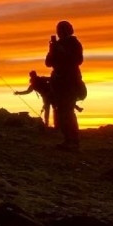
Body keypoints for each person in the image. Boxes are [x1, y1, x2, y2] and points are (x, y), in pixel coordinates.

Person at [45, 20, 84, 150]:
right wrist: (52, 50)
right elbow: (48, 63)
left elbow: (78, 60)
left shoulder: (74, 43)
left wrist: (63, 52)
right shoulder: (57, 44)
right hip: (59, 81)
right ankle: (68, 139)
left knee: (67, 111)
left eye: (61, 29)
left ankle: (73, 140)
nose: (59, 32)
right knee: (61, 111)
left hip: (70, 81)